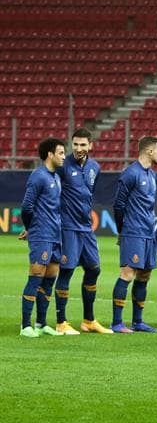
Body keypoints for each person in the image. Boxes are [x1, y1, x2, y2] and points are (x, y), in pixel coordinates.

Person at [55, 128, 111, 334]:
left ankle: (88, 320)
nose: (79, 149)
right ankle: (61, 322)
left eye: (83, 145)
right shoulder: (62, 166)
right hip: (68, 227)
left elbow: (89, 194)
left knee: (94, 269)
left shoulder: (95, 167)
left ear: (91, 145)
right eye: (75, 144)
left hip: (86, 228)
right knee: (67, 271)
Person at [111, 135, 157, 333]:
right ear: (149, 151)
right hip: (133, 231)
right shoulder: (130, 174)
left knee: (145, 274)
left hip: (149, 232)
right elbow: (119, 204)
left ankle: (138, 321)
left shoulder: (151, 175)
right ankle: (117, 323)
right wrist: (121, 230)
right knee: (127, 273)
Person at [19, 138, 67, 338]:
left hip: (55, 235)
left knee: (49, 280)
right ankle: (25, 326)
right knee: (35, 278)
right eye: (61, 153)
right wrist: (32, 229)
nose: (64, 157)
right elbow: (26, 206)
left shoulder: (55, 177)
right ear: (50, 154)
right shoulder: (38, 176)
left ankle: (41, 323)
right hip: (42, 235)